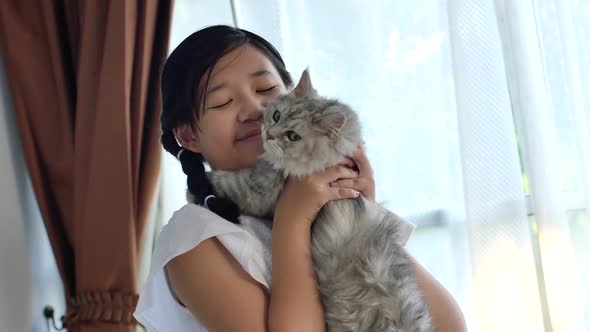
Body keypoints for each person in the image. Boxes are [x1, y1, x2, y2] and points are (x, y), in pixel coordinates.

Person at [133, 25, 467, 332]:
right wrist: (293, 219)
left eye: (266, 88)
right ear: (189, 136)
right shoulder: (191, 238)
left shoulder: (320, 197)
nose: (256, 109)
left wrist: (362, 215)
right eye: (222, 102)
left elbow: (449, 324)